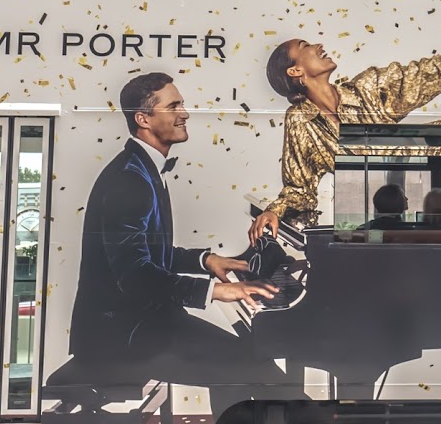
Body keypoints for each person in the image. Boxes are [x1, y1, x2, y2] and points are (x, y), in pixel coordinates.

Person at [50, 73, 279, 403]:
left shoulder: (140, 168)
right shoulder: (128, 180)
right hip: (122, 335)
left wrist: (206, 260)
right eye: (173, 107)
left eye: (181, 104)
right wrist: (216, 291)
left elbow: (150, 252)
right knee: (251, 365)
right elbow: (136, 275)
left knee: (246, 360)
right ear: (143, 119)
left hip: (144, 321)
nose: (184, 113)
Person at [256, 25, 441, 240]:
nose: (318, 46)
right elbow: (298, 188)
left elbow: (434, 70)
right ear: (295, 71)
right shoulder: (301, 121)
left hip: (428, 195)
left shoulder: (369, 88)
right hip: (372, 221)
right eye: (305, 47)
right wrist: (274, 212)